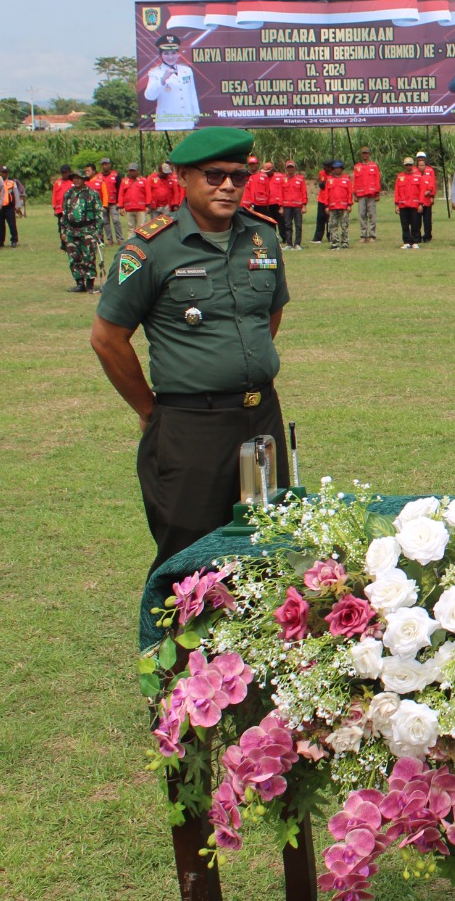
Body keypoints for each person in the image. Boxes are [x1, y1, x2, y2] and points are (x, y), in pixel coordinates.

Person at [91, 126, 290, 574]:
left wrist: (240, 365)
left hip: (261, 416)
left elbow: (265, 316)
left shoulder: (263, 238)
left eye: (238, 177)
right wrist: (149, 409)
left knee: (266, 547)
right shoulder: (151, 249)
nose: (227, 186)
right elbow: (107, 338)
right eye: (213, 175)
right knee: (191, 560)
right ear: (182, 176)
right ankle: (182, 647)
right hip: (190, 426)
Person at [142, 33, 200, 130]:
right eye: (166, 53)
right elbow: (149, 96)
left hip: (186, 119)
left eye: (173, 53)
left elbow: (191, 92)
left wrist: (196, 112)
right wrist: (163, 79)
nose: (170, 57)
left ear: (178, 54)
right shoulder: (155, 73)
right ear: (160, 55)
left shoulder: (186, 70)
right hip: (167, 121)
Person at [60, 168, 102, 290]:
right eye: (74, 178)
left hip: (87, 229)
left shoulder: (92, 194)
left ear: (84, 180)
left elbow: (98, 213)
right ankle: (79, 283)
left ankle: (89, 283)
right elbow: (64, 213)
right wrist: (63, 230)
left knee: (88, 256)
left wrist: (98, 232)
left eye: (79, 178)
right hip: (71, 231)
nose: (76, 180)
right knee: (74, 257)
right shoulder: (68, 194)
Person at [394, 156, 424, 248]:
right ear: (404, 165)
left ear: (412, 165)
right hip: (403, 204)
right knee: (404, 224)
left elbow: (422, 191)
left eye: (410, 165)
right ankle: (406, 242)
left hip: (414, 204)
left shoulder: (418, 176)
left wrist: (421, 204)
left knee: (415, 224)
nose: (408, 167)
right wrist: (396, 204)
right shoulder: (400, 176)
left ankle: (415, 242)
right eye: (406, 165)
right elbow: (397, 191)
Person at [277, 160, 307, 250]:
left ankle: (297, 243)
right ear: (286, 168)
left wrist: (304, 205)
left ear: (294, 168)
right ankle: (289, 244)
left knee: (298, 225)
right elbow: (280, 193)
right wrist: (281, 206)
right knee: (287, 225)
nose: (290, 169)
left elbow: (304, 192)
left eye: (291, 167)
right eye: (288, 167)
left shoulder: (300, 179)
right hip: (286, 206)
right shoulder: (283, 179)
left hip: (298, 206)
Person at [324, 160, 352, 249]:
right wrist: (326, 206)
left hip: (343, 206)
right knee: (332, 225)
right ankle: (334, 242)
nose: (337, 170)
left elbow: (349, 193)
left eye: (339, 168)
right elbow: (326, 194)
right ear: (333, 169)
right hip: (332, 207)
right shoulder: (329, 180)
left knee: (344, 225)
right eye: (336, 168)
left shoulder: (346, 179)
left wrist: (349, 204)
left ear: (342, 169)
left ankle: (345, 242)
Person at [120, 163, 151, 236]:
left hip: (141, 208)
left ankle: (141, 243)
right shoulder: (124, 181)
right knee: (130, 227)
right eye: (130, 171)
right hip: (129, 208)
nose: (132, 172)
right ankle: (131, 243)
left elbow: (148, 193)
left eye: (133, 171)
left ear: (137, 171)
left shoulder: (143, 180)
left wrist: (148, 205)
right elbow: (121, 194)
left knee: (141, 227)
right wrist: (120, 206)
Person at [414, 151, 436, 242]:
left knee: (427, 220)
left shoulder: (430, 170)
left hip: (427, 199)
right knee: (417, 220)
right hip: (417, 200)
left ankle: (427, 236)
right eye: (419, 158)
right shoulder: (414, 171)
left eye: (422, 157)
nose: (421, 159)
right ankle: (417, 236)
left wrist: (432, 196)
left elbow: (433, 185)